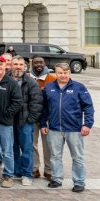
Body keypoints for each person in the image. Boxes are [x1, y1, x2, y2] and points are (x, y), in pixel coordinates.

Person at [40, 62, 94, 193]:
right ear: (55, 73)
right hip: (54, 129)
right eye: (60, 73)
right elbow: (44, 108)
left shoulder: (79, 87)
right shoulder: (48, 88)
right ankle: (57, 179)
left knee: (77, 157)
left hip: (74, 129)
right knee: (55, 156)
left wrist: (87, 124)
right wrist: (43, 123)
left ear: (69, 73)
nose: (63, 75)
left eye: (65, 73)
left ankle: (79, 182)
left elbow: (88, 107)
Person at [0, 56, 22, 188]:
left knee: (7, 151)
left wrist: (7, 114)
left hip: (4, 123)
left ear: (5, 66)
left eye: (0, 64)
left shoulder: (11, 82)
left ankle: (8, 175)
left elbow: (18, 102)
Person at [11, 56, 42, 186]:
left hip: (25, 122)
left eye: (20, 64)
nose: (18, 66)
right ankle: (16, 171)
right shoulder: (6, 80)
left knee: (27, 148)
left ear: (25, 66)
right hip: (9, 121)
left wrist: (30, 120)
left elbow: (37, 103)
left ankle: (27, 174)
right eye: (15, 64)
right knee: (12, 148)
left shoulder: (30, 82)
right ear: (11, 65)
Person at [30, 56, 55, 180]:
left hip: (47, 118)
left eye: (41, 62)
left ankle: (49, 170)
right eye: (35, 62)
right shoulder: (28, 77)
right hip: (32, 116)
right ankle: (34, 169)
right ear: (32, 64)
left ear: (44, 64)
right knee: (32, 145)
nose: (38, 64)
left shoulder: (52, 79)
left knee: (48, 145)